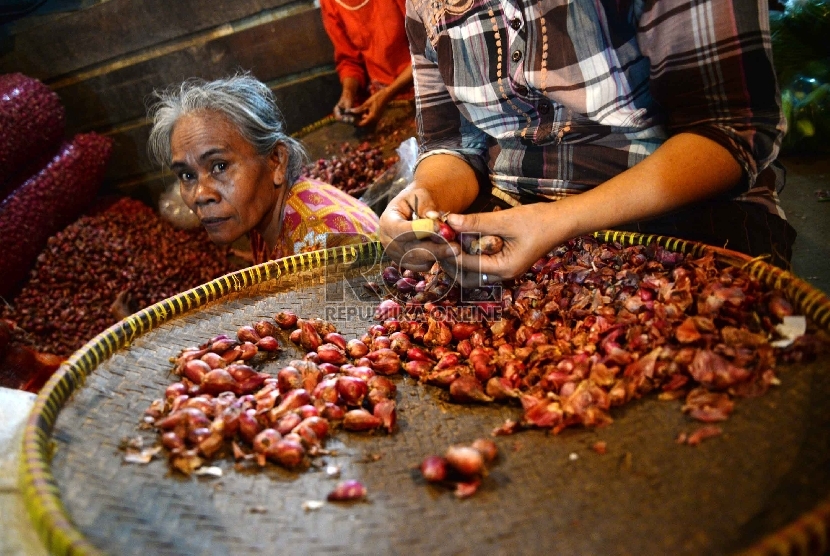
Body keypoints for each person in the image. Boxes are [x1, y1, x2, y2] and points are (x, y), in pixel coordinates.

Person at [379, 0, 796, 287]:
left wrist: (561, 220)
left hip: (677, 212)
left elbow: (732, 129)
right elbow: (454, 145)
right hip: (511, 216)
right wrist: (424, 196)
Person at [147, 74, 379, 265]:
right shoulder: (268, 216)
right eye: (187, 175)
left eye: (220, 166)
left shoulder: (328, 245)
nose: (200, 195)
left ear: (276, 161)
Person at [320, 0, 414, 127]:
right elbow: (349, 60)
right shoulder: (330, 3)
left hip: (428, 89)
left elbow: (431, 49)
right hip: (380, 100)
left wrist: (388, 93)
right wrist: (348, 93)